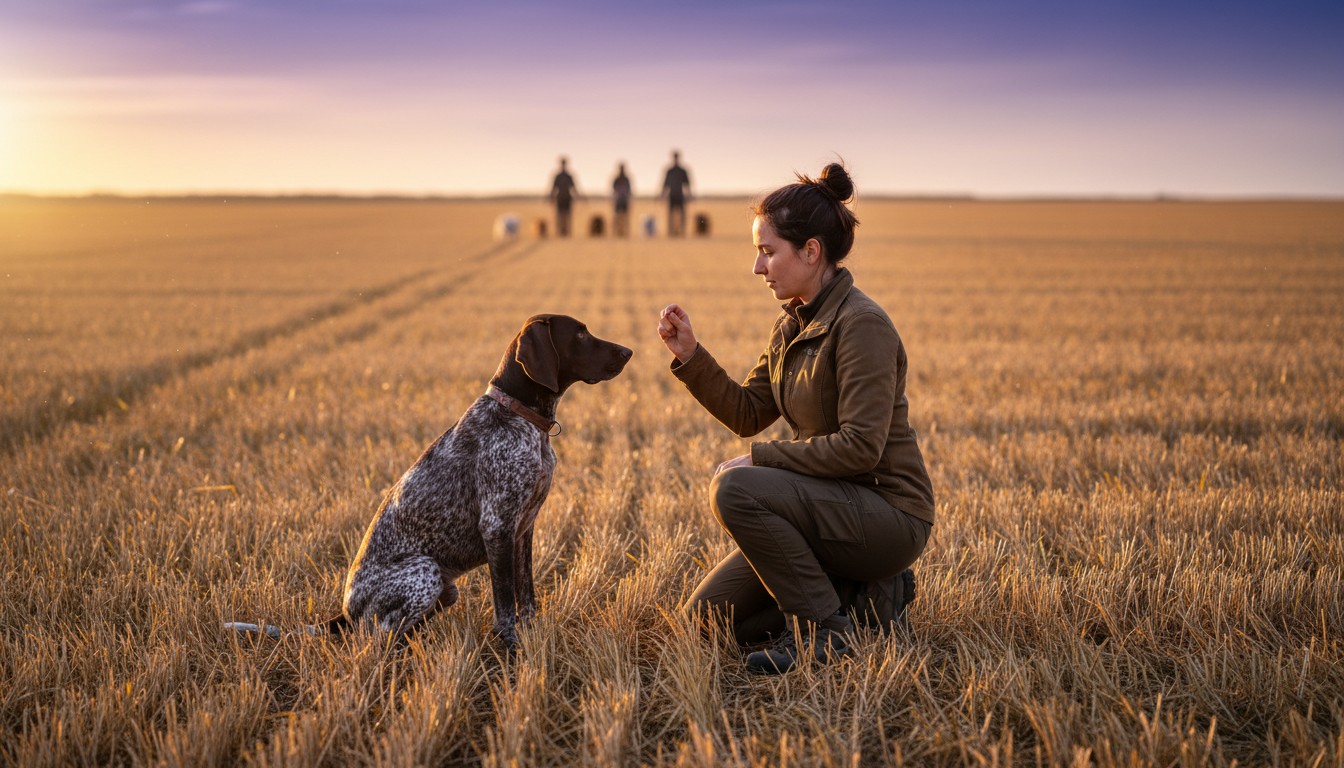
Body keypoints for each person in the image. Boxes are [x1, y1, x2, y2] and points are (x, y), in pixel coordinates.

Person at [656, 162, 935, 675]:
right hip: (826, 508)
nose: (758, 268)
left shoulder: (862, 326)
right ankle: (866, 595)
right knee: (704, 622)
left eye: (768, 252)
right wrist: (691, 356)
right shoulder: (791, 326)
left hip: (888, 515)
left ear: (811, 251)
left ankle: (824, 631)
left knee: (736, 489)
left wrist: (761, 460)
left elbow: (859, 448)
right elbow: (747, 413)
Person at [659, 150, 692, 237]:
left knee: (682, 215)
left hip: (680, 195)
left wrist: (689, 195)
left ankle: (681, 231)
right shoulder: (669, 171)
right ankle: (671, 231)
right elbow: (665, 184)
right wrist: (662, 196)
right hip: (672, 195)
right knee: (670, 215)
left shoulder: (682, 171)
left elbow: (687, 184)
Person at [548, 156, 580, 237]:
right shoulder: (558, 176)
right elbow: (553, 188)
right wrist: (551, 198)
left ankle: (567, 232)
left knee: (567, 216)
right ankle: (560, 232)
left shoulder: (569, 176)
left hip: (567, 198)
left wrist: (578, 197)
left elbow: (573, 188)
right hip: (560, 198)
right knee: (559, 216)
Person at [612, 162, 633, 237]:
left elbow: (629, 190)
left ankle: (625, 232)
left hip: (624, 200)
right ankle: (617, 232)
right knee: (617, 217)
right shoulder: (617, 179)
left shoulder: (626, 179)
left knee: (625, 217)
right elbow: (614, 189)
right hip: (618, 200)